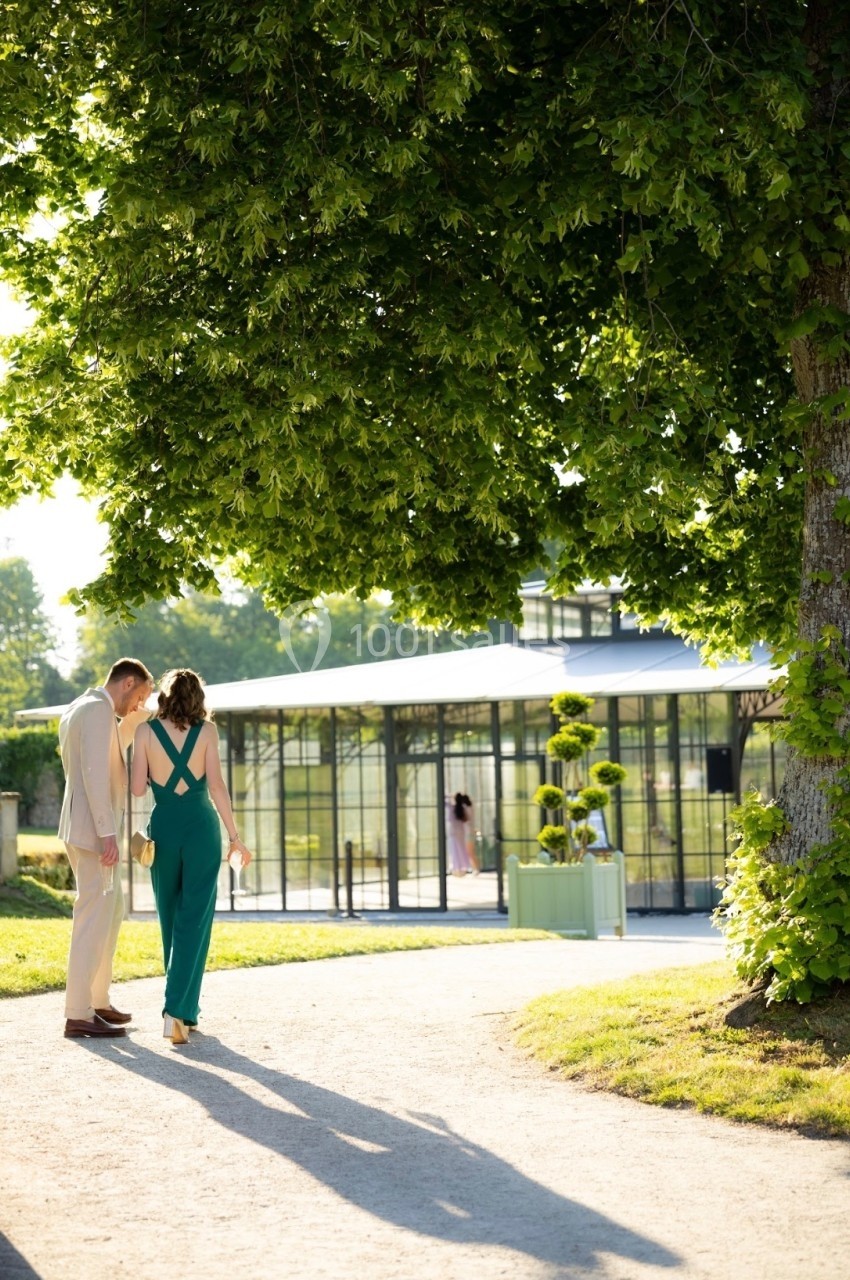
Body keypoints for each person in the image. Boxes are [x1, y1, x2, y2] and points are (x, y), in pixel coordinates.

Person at [131, 668, 251, 1045]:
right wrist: (235, 837)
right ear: (198, 697)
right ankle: (176, 1011)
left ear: (164, 696)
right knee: (194, 920)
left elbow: (136, 790)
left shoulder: (144, 732)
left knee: (171, 918)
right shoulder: (208, 733)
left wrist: (153, 775)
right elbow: (216, 785)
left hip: (164, 827)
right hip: (202, 828)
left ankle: (185, 1011)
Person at [58, 658, 155, 1039]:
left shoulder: (83, 706)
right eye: (140, 696)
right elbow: (94, 775)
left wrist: (134, 721)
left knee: (110, 911)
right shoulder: (98, 711)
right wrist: (107, 833)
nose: (138, 704)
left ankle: (97, 1000)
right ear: (128, 682)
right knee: (92, 918)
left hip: (81, 828)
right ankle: (78, 1012)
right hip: (92, 832)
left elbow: (106, 752)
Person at [446, 791, 479, 875]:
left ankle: (475, 869)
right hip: (464, 833)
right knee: (467, 851)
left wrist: (449, 796)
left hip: (466, 833)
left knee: (468, 852)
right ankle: (471, 868)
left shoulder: (465, 809)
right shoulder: (466, 808)